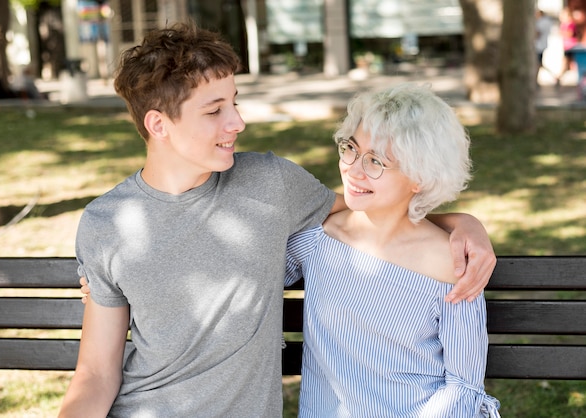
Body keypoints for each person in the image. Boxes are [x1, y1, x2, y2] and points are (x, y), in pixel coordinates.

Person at [60, 21, 496, 417]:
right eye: (214, 111)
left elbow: (378, 209)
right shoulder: (107, 225)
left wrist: (463, 223)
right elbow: (96, 375)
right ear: (158, 124)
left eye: (235, 102)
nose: (238, 122)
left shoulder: (272, 184)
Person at [284, 84, 501, 417]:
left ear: (420, 177)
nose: (354, 170)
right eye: (351, 149)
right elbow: (248, 280)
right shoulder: (317, 240)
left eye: (376, 161)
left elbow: (463, 384)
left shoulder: (451, 263)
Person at [535, 9, 556, 86]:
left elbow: (537, 33)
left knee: (538, 64)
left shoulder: (540, 22)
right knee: (539, 64)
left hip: (538, 46)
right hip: (542, 45)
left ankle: (554, 76)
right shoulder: (547, 22)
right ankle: (554, 76)